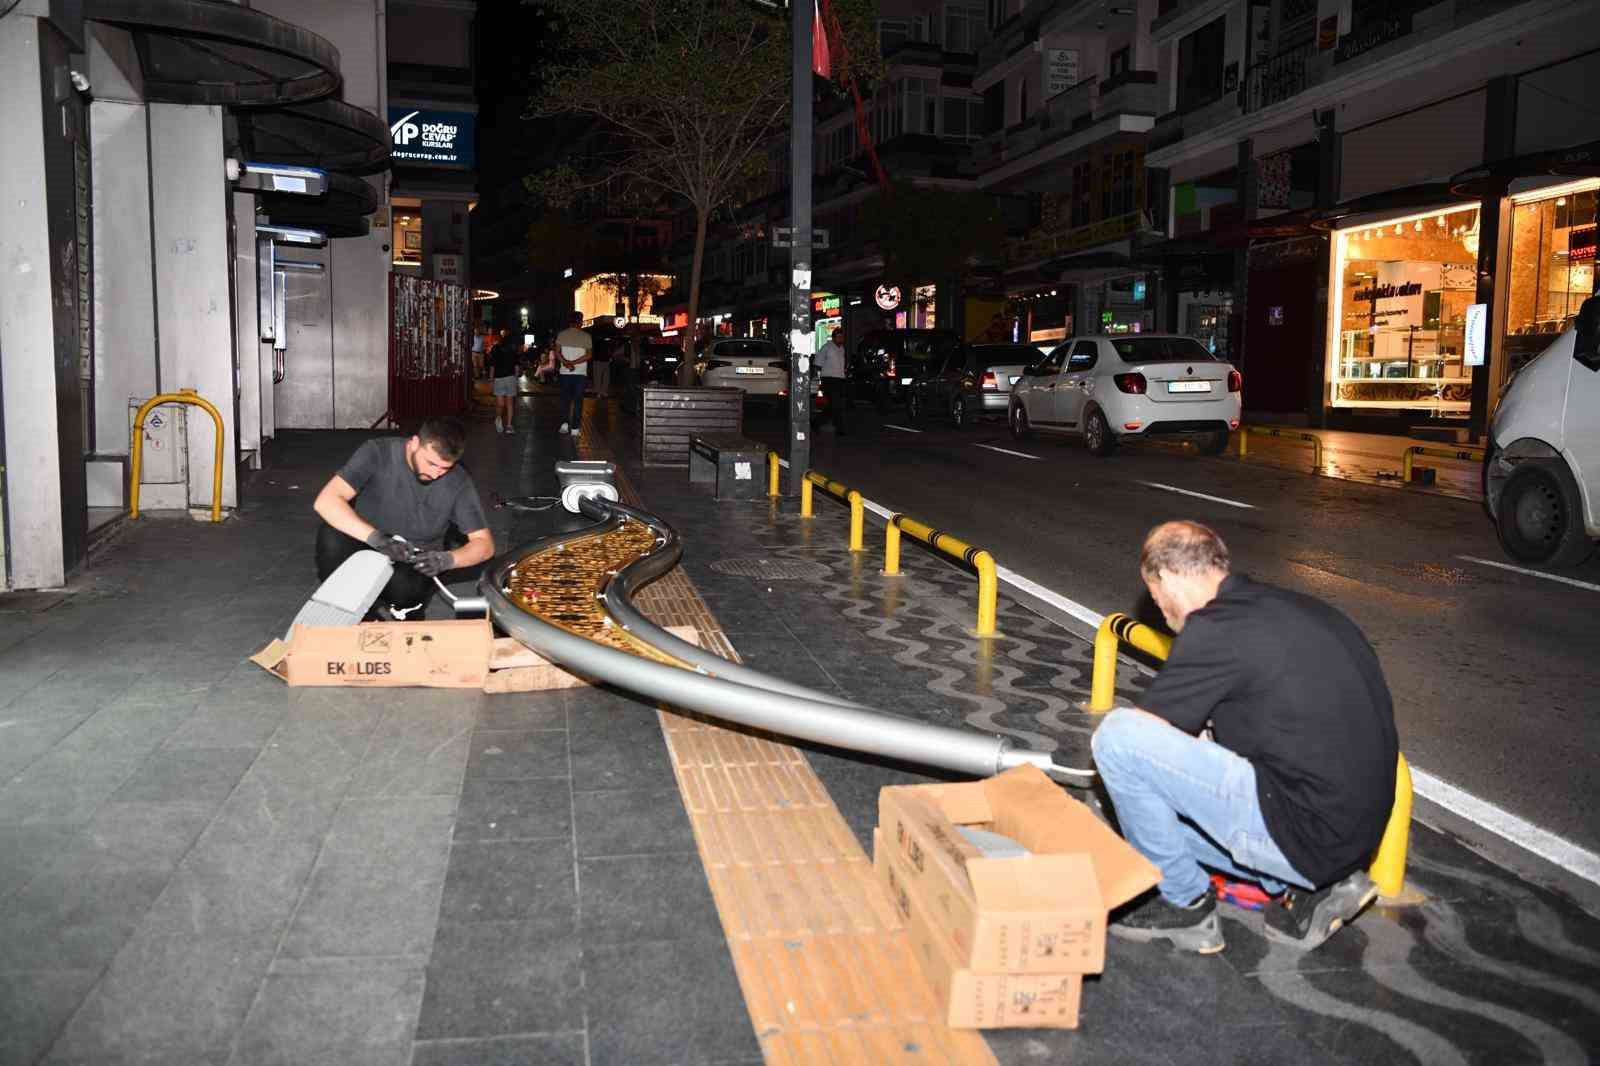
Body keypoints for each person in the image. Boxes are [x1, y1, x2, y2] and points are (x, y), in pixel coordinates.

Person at [1092, 520, 1397, 955]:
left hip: (1307, 833)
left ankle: (1184, 906)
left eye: (1157, 599)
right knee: (1152, 816)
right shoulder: (1295, 609)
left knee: (1117, 742)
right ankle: (1311, 886)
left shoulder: (1215, 626)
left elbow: (1144, 736)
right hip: (1356, 835)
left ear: (1171, 578)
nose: (1160, 610)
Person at [311, 417, 495, 620]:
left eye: (445, 468)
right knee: (331, 537)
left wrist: (447, 560)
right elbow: (326, 501)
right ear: (414, 443)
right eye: (431, 463)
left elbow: (484, 545)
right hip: (367, 541)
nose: (436, 474)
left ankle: (407, 608)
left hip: (413, 559)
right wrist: (377, 539)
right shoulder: (378, 452)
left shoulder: (458, 481)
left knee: (407, 587)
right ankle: (360, 613)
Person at [554, 311, 592, 436]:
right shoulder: (586, 336)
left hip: (565, 372)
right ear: (580, 321)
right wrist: (573, 363)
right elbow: (588, 355)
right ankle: (575, 428)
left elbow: (557, 352)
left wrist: (566, 362)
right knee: (578, 400)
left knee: (565, 399)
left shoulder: (562, 335)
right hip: (580, 373)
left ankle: (564, 424)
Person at [815, 326, 849, 435]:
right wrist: (820, 379)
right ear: (834, 338)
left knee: (832, 406)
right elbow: (817, 363)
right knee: (836, 405)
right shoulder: (826, 347)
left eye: (842, 337)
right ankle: (840, 429)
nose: (841, 339)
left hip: (840, 380)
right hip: (829, 380)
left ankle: (816, 422)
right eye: (838, 337)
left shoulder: (842, 349)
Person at [489, 332, 523, 433]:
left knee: (509, 403)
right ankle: (498, 418)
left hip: (509, 378)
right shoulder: (496, 349)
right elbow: (493, 364)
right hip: (500, 378)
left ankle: (509, 425)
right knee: (501, 404)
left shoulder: (511, 350)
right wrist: (491, 379)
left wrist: (515, 378)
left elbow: (516, 365)